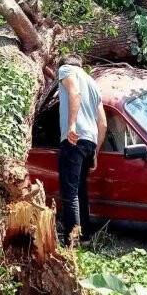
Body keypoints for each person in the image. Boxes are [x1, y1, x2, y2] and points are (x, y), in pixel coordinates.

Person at [57, 56, 106, 246]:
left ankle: (72, 241)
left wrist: (71, 126)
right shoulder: (93, 83)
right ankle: (85, 237)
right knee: (80, 191)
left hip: (74, 139)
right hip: (90, 142)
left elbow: (74, 94)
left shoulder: (66, 70)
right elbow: (102, 123)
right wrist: (95, 151)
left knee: (69, 193)